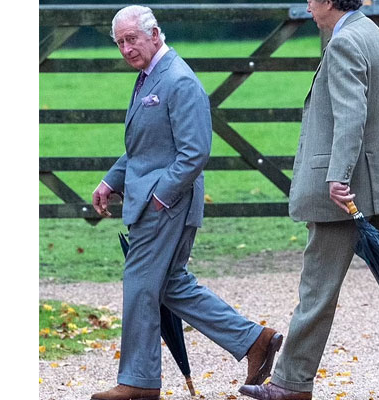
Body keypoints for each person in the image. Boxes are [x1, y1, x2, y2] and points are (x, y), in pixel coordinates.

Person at [239, 1, 379, 399]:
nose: (308, 5)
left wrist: (338, 176)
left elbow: (351, 115)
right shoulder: (374, 35)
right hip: (377, 181)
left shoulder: (345, 42)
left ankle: (291, 385)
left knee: (317, 287)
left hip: (346, 192)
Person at [89, 6, 283, 400]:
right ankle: (254, 340)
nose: (126, 49)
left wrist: (161, 196)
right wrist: (112, 180)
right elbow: (147, 148)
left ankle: (139, 383)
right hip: (156, 201)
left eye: (133, 39)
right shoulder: (149, 78)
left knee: (140, 285)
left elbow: (195, 152)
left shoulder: (178, 80)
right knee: (169, 285)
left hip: (166, 205)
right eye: (120, 42)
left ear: (155, 34)